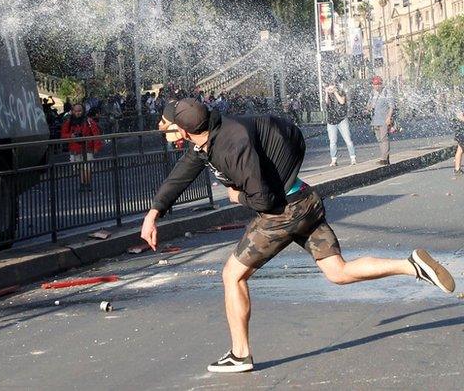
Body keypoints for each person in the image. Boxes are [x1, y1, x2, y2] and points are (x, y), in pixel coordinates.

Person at [142, 98, 455, 373]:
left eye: (166, 123)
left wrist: (238, 198)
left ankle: (240, 355)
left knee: (232, 275)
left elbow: (263, 199)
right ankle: (412, 265)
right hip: (303, 197)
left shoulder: (231, 144)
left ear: (183, 129)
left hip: (284, 211)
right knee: (338, 271)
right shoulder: (208, 138)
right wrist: (154, 213)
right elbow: (180, 174)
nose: (161, 126)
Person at [60, 103, 102, 191]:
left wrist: (96, 147)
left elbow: (95, 133)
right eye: (76, 111)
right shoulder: (69, 122)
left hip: (87, 147)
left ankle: (87, 183)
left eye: (80, 111)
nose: (78, 113)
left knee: (88, 167)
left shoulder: (88, 121)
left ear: (83, 111)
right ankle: (83, 184)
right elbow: (63, 135)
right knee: (80, 167)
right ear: (73, 112)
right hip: (75, 148)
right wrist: (70, 136)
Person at [324, 80, 356, 166]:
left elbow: (342, 102)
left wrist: (335, 93)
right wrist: (326, 93)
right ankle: (333, 160)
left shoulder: (341, 92)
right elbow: (326, 103)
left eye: (333, 86)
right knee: (332, 141)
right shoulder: (328, 95)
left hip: (342, 119)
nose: (331, 88)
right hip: (331, 121)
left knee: (348, 139)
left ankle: (353, 158)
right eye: (330, 86)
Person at [365, 76, 394, 165]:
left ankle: (384, 159)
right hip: (375, 120)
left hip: (384, 120)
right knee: (379, 139)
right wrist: (367, 109)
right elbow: (369, 105)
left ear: (381, 84)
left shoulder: (386, 92)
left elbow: (392, 106)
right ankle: (385, 157)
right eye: (375, 84)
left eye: (378, 84)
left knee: (384, 138)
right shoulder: (372, 94)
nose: (376, 86)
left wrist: (389, 117)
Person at [453, 100, 464, 179]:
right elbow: (459, 116)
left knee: (460, 149)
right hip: (462, 131)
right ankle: (457, 169)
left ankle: (457, 169)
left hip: (460, 130)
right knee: (460, 149)